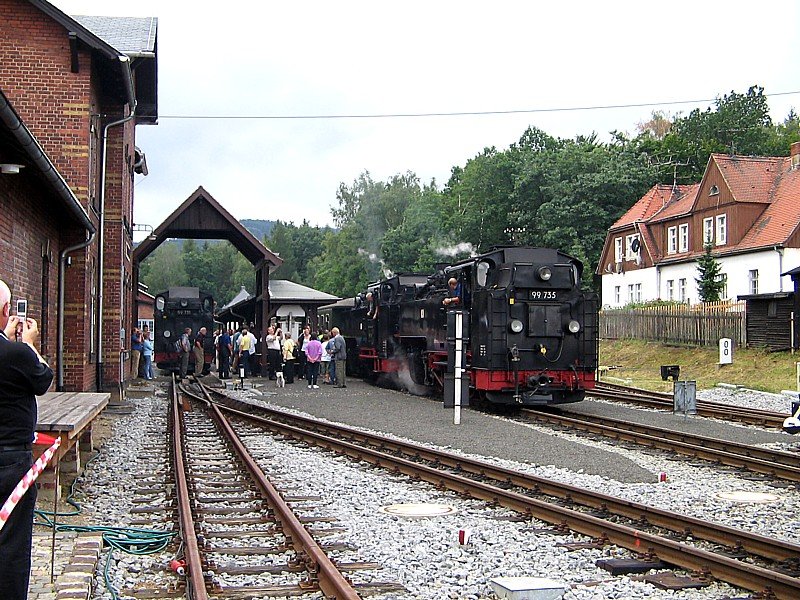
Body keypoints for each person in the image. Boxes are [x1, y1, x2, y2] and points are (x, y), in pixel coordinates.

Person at [0, 279, 54, 599]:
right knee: (12, 544)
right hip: (9, 461)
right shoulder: (18, 354)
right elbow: (42, 378)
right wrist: (29, 344)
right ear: (6, 312)